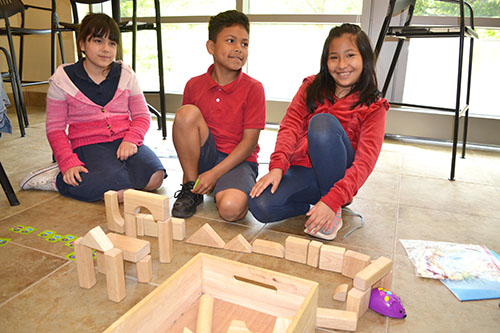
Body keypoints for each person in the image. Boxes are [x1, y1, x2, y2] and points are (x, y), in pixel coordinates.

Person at [249, 23, 389, 240]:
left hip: (338, 175)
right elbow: (290, 126)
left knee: (322, 125)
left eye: (350, 55)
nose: (342, 65)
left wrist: (333, 199)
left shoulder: (374, 105)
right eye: (334, 57)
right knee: (260, 205)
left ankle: (333, 206)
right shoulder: (311, 86)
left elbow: (365, 162)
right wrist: (277, 167)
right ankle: (315, 205)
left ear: (364, 59)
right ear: (326, 61)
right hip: (303, 171)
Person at [19, 13, 166, 202]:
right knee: (115, 186)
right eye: (98, 41)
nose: (106, 49)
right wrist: (67, 161)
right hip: (87, 145)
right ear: (82, 44)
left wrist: (131, 139)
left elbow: (142, 116)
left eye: (112, 43)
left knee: (155, 177)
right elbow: (55, 129)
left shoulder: (126, 74)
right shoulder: (62, 80)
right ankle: (57, 180)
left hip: (124, 141)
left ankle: (112, 177)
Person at [171, 10, 266, 221]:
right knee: (185, 114)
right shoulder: (193, 85)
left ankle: (224, 185)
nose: (238, 49)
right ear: (211, 47)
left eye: (244, 44)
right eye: (231, 41)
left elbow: (249, 144)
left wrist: (215, 174)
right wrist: (196, 176)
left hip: (238, 161)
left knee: (231, 210)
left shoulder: (254, 88)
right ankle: (191, 188)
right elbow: (186, 135)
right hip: (206, 157)